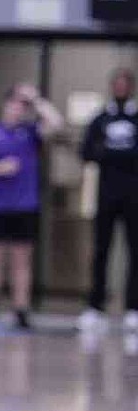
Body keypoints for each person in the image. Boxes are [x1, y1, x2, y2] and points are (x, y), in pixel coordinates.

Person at [0, 83, 62, 330]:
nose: (18, 108)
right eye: (15, 102)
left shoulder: (31, 133)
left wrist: (36, 99)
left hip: (25, 206)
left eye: (23, 105)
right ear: (6, 104)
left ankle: (20, 309)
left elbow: (56, 124)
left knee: (21, 261)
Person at [79, 68, 138, 334]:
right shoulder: (100, 118)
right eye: (117, 83)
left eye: (126, 84)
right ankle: (95, 306)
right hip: (106, 195)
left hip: (134, 196)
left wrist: (116, 154)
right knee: (101, 250)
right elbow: (87, 151)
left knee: (134, 252)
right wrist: (112, 154)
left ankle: (133, 308)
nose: (121, 88)